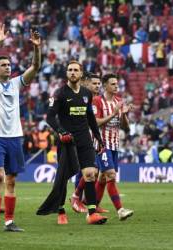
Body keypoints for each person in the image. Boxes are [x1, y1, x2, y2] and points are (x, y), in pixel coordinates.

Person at [0, 23, 41, 232]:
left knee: (11, 180)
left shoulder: (16, 83)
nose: (7, 67)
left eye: (9, 64)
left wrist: (36, 47)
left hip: (15, 137)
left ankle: (8, 221)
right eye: (3, 65)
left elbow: (35, 68)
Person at [47, 61, 107, 225]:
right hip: (67, 141)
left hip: (84, 140)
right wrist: (61, 132)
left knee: (90, 174)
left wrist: (98, 138)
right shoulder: (59, 93)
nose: (72, 72)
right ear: (67, 73)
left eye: (76, 70)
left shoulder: (87, 93)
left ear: (81, 74)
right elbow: (50, 117)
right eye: (70, 70)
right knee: (64, 177)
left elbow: (91, 118)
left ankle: (92, 213)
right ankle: (60, 210)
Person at [92, 74, 134, 220]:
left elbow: (126, 128)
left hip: (115, 145)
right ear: (105, 86)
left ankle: (93, 209)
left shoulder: (119, 101)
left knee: (103, 177)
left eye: (117, 84)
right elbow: (96, 122)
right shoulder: (97, 101)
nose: (117, 86)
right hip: (102, 144)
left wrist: (123, 115)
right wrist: (113, 113)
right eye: (113, 84)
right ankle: (120, 210)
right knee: (110, 175)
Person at [70, 73, 108, 214]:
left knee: (95, 171)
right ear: (86, 83)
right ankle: (77, 199)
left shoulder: (95, 99)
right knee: (87, 171)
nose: (97, 86)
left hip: (93, 138)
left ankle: (88, 201)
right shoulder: (82, 98)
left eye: (99, 84)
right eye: (94, 83)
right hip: (82, 138)